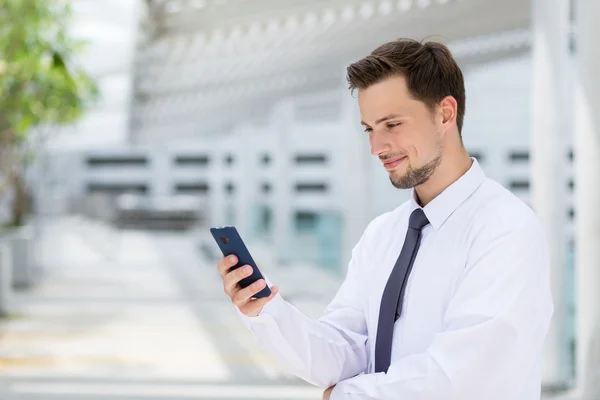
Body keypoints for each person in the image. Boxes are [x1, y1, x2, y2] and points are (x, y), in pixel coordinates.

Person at [217, 38, 553, 400]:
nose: (376, 147)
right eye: (369, 129)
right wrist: (266, 310)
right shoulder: (384, 234)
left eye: (391, 124)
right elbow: (344, 351)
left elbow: (461, 377)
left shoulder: (505, 229)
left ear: (445, 113)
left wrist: (344, 396)